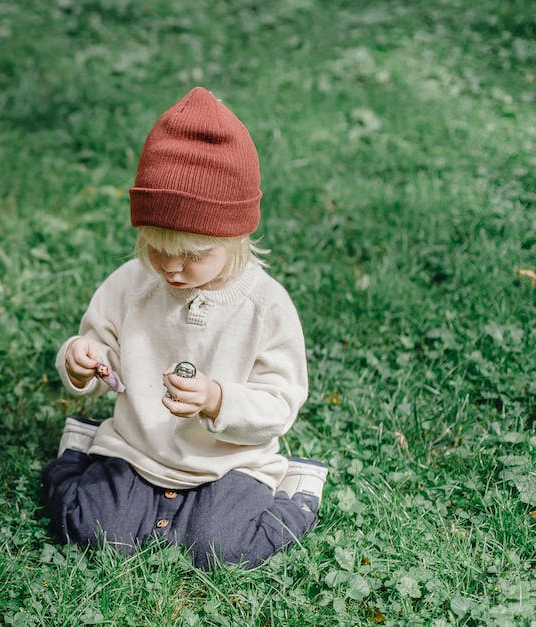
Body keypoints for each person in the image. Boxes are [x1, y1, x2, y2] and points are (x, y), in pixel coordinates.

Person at [42, 87, 327, 570]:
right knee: (89, 530)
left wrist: (219, 400)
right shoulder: (133, 284)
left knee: (222, 549)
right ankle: (84, 446)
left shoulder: (265, 306)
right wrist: (81, 358)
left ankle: (296, 488)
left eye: (193, 256)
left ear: (235, 236)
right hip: (136, 448)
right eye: (156, 248)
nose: (171, 269)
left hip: (227, 462)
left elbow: (279, 403)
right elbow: (98, 345)